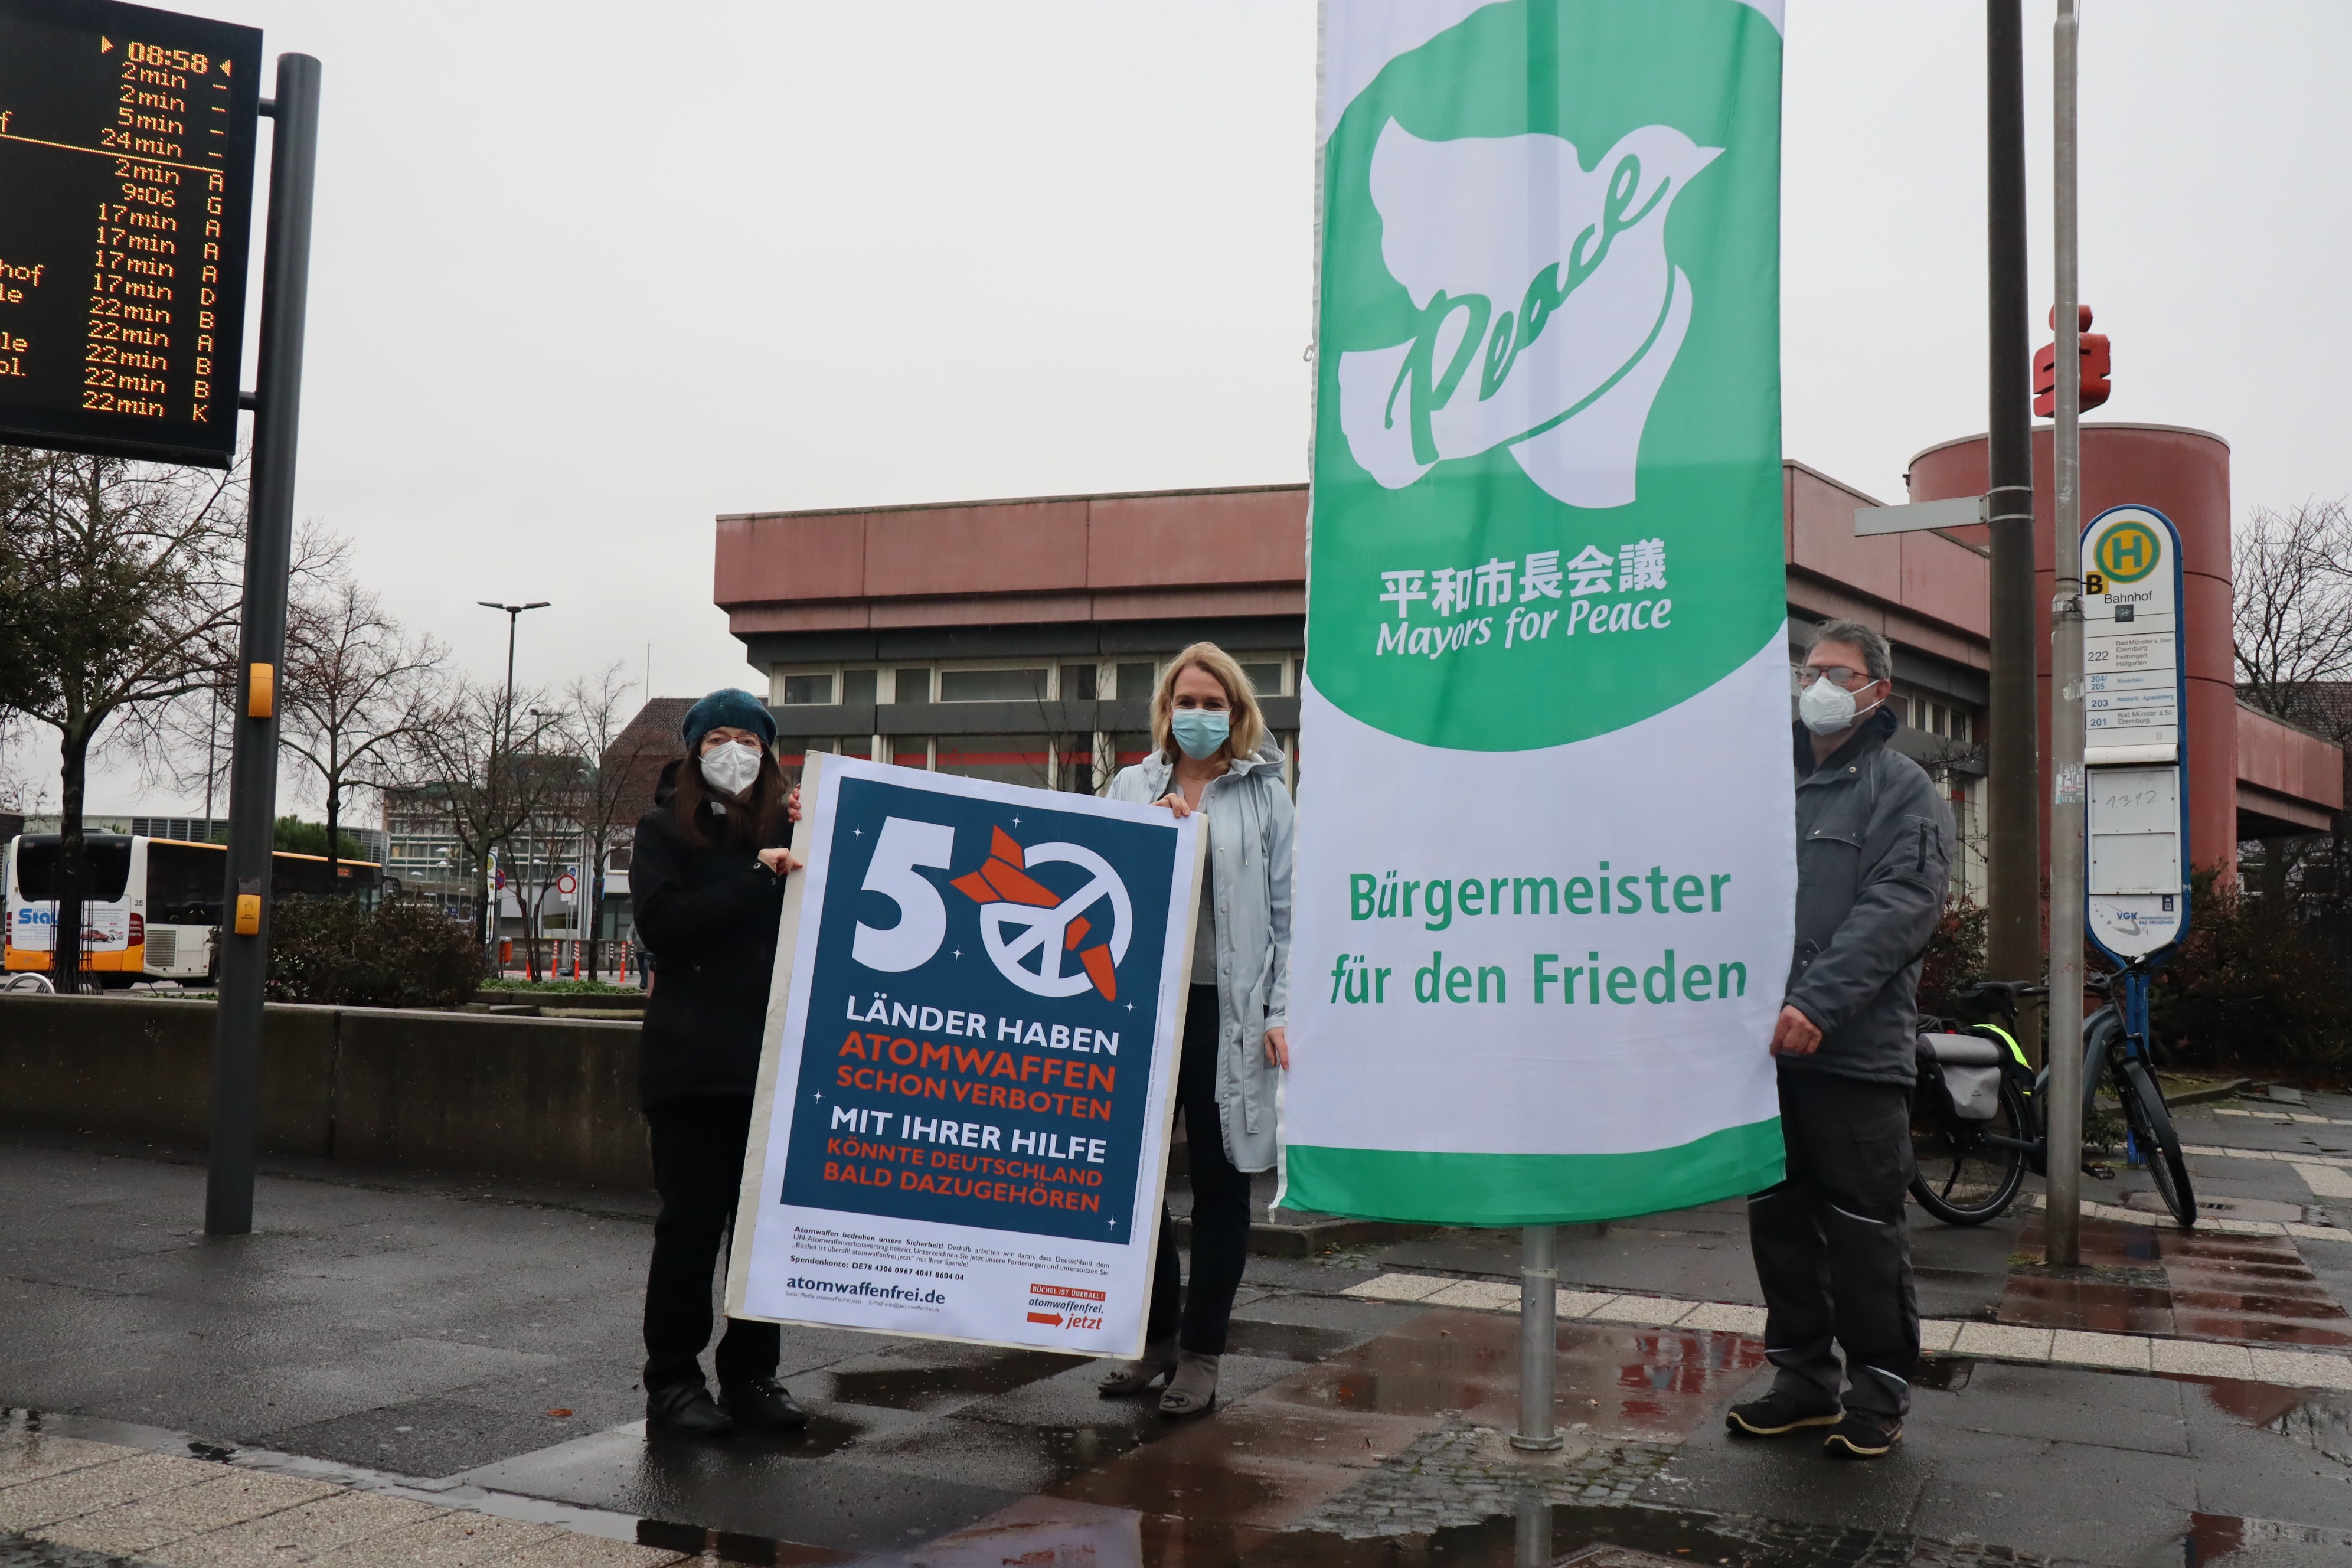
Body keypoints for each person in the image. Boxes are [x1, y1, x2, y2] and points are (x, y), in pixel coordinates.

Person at [1728, 621, 1952, 1461]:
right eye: (1810, 670)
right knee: (1780, 1224)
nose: (1817, 686)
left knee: (1863, 1231)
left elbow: (1899, 909)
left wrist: (1818, 1002)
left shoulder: (1903, 791)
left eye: (1838, 674)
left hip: (1853, 1056)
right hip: (1764, 1056)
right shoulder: (1767, 784)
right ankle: (1802, 1383)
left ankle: (1878, 1392)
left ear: (1878, 691)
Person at [1096, 643, 1294, 1417]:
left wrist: (1280, 1012)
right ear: (1166, 709)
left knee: (1219, 1185)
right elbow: (1097, 883)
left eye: (1215, 703)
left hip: (1227, 1015)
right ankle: (1157, 1339)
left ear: (1237, 713)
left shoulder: (1265, 794)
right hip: (1143, 1011)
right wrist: (1149, 836)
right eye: (1188, 701)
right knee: (1133, 1184)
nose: (1200, 714)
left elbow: (1291, 914)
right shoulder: (1130, 786)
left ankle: (1203, 1354)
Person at [631, 690, 809, 1438]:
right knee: (691, 1230)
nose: (734, 751)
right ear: (695, 749)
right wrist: (757, 879)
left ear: (768, 753)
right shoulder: (662, 830)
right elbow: (664, 925)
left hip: (774, 1068)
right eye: (718, 738)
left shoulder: (794, 829)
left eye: (749, 738)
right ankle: (674, 1380)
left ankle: (752, 1374)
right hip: (694, 1067)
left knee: (762, 1234)